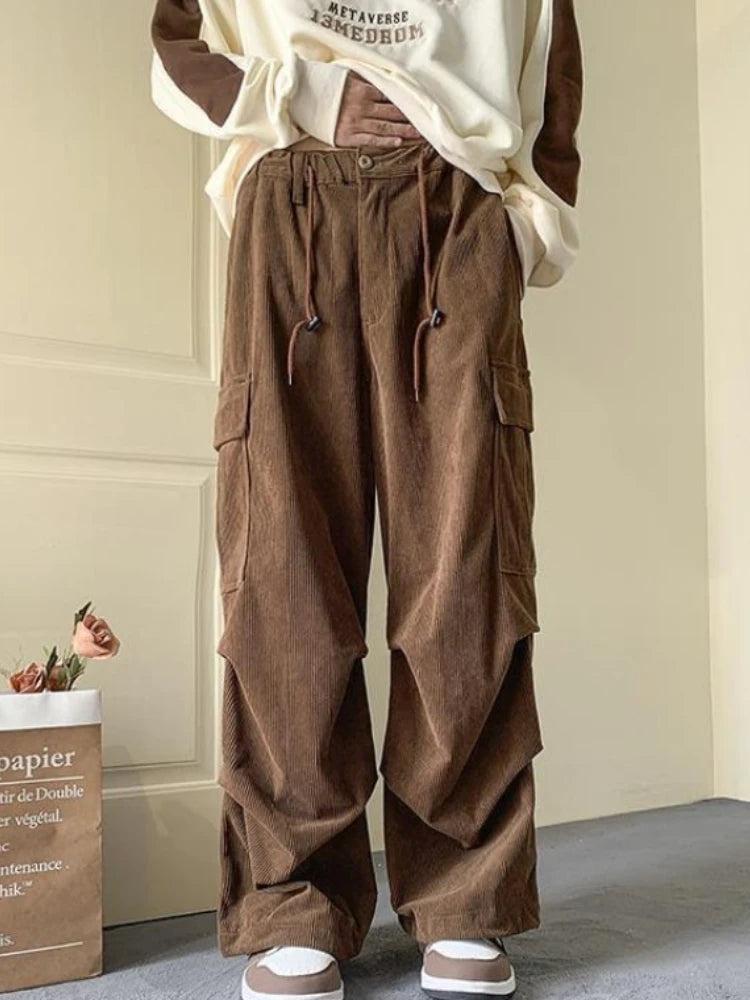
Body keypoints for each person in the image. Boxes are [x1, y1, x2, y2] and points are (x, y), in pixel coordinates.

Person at [149, 2, 582, 998]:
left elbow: (551, 81)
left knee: (467, 575)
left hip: (458, 214)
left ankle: (468, 894)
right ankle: (294, 898)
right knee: (282, 577)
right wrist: (299, 92)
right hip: (289, 205)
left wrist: (522, 235)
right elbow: (175, 48)